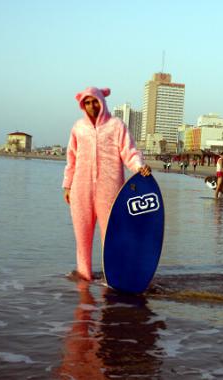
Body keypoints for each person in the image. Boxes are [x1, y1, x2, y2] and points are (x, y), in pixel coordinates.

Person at [63, 87, 151, 281]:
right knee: (82, 239)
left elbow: (129, 152)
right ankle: (84, 279)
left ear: (102, 101)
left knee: (111, 237)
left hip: (110, 190)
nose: (92, 105)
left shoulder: (116, 125)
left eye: (95, 101)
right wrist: (68, 185)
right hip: (81, 189)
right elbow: (71, 158)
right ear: (82, 105)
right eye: (87, 102)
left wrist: (139, 167)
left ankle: (113, 277)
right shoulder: (78, 128)